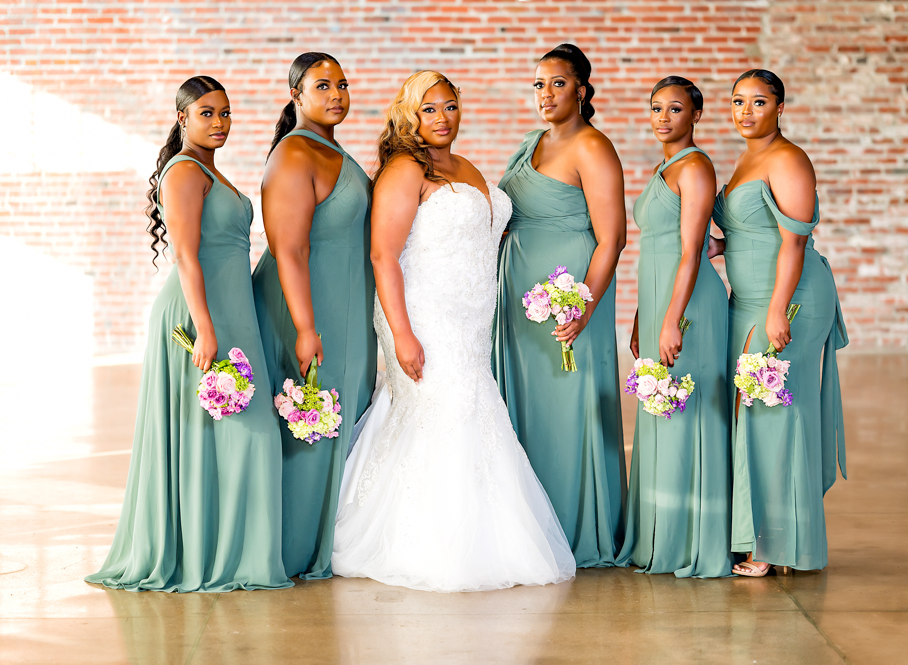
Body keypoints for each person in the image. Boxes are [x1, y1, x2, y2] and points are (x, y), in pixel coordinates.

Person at [332, 71, 576, 592]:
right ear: (409, 115)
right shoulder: (405, 169)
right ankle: (432, 542)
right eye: (429, 110)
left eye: (449, 107)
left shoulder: (464, 166)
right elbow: (383, 254)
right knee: (449, 408)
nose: (442, 119)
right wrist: (401, 332)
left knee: (471, 409)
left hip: (470, 319)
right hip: (423, 314)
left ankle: (486, 535)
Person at [86, 76, 292, 592]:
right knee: (230, 432)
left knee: (240, 434)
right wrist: (204, 328)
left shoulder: (210, 171)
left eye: (225, 113)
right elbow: (184, 255)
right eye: (207, 113)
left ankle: (231, 551)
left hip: (232, 311)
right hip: (199, 317)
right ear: (182, 119)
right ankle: (205, 554)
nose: (219, 123)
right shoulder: (183, 172)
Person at [493, 44, 627, 567]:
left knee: (566, 410)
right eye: (538, 85)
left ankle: (575, 528)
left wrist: (583, 307)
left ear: (582, 90)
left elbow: (612, 238)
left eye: (557, 83)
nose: (545, 94)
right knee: (523, 408)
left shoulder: (593, 148)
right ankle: (530, 527)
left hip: (569, 298)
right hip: (519, 296)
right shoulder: (533, 142)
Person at [711, 69, 847, 576]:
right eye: (738, 101)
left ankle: (778, 546)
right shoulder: (749, 156)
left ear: (780, 107)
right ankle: (761, 534)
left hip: (788, 300)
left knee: (775, 413)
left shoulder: (789, 158)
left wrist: (776, 309)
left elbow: (793, 240)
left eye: (759, 102)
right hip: (748, 298)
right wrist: (723, 247)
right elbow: (757, 229)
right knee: (754, 414)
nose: (746, 112)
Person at [252, 53, 377, 580]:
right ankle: (295, 546)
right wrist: (304, 326)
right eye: (322, 85)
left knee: (339, 416)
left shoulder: (330, 149)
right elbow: (289, 248)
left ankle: (325, 537)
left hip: (342, 306)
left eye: (342, 84)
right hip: (304, 306)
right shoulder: (295, 154)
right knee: (309, 421)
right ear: (296, 96)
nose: (336, 94)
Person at [618, 77, 733, 578]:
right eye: (657, 108)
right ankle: (661, 533)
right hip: (661, 300)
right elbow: (657, 253)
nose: (664, 117)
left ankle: (694, 541)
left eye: (676, 108)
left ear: (696, 115)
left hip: (690, 307)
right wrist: (644, 315)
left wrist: (670, 320)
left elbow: (692, 251)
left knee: (687, 411)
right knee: (660, 410)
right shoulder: (664, 168)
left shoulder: (696, 167)